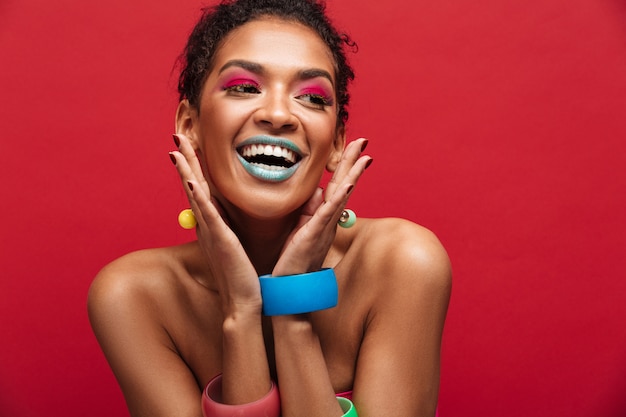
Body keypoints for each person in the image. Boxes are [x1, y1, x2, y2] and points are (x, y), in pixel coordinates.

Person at [87, 0, 452, 416]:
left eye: (312, 97)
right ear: (190, 125)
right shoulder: (133, 297)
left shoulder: (403, 263)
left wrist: (292, 312)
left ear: (335, 143)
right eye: (244, 87)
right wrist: (240, 314)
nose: (279, 115)